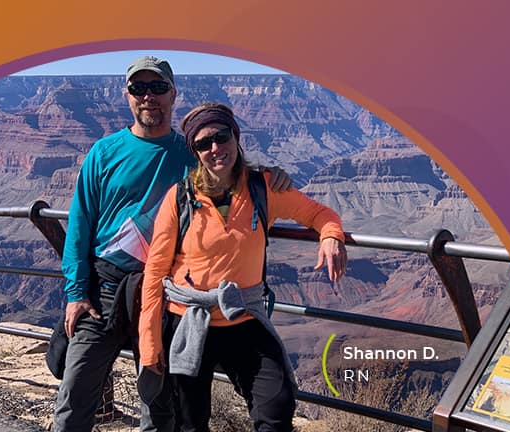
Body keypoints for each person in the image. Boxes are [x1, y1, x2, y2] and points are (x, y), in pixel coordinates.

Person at [54, 56, 293, 432]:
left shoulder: (193, 150)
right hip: (106, 288)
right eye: (139, 88)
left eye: (158, 87)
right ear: (127, 96)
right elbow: (80, 226)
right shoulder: (104, 152)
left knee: (159, 403)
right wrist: (75, 292)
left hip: (165, 295)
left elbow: (229, 166)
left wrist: (272, 174)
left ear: (173, 94)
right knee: (76, 391)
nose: (149, 96)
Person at [138, 102, 347, 432]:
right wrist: (150, 343)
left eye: (221, 137)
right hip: (189, 319)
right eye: (203, 144)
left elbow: (320, 214)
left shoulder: (264, 188)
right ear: (194, 151)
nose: (215, 149)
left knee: (276, 406)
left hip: (243, 316)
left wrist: (331, 237)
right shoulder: (179, 198)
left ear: (236, 137)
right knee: (189, 422)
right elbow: (155, 272)